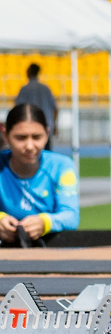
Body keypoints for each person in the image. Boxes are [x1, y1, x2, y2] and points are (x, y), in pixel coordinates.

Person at [1, 103, 77, 245]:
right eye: (21, 138)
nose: (30, 146)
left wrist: (45, 222)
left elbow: (71, 216)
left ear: (47, 134)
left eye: (37, 137)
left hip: (51, 256)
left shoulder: (62, 166)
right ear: (5, 135)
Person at [14, 63, 57, 148]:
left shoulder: (24, 89)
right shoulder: (45, 88)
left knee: (30, 153)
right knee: (46, 154)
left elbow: (18, 109)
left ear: (29, 72)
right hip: (46, 126)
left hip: (29, 126)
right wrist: (55, 125)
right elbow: (54, 109)